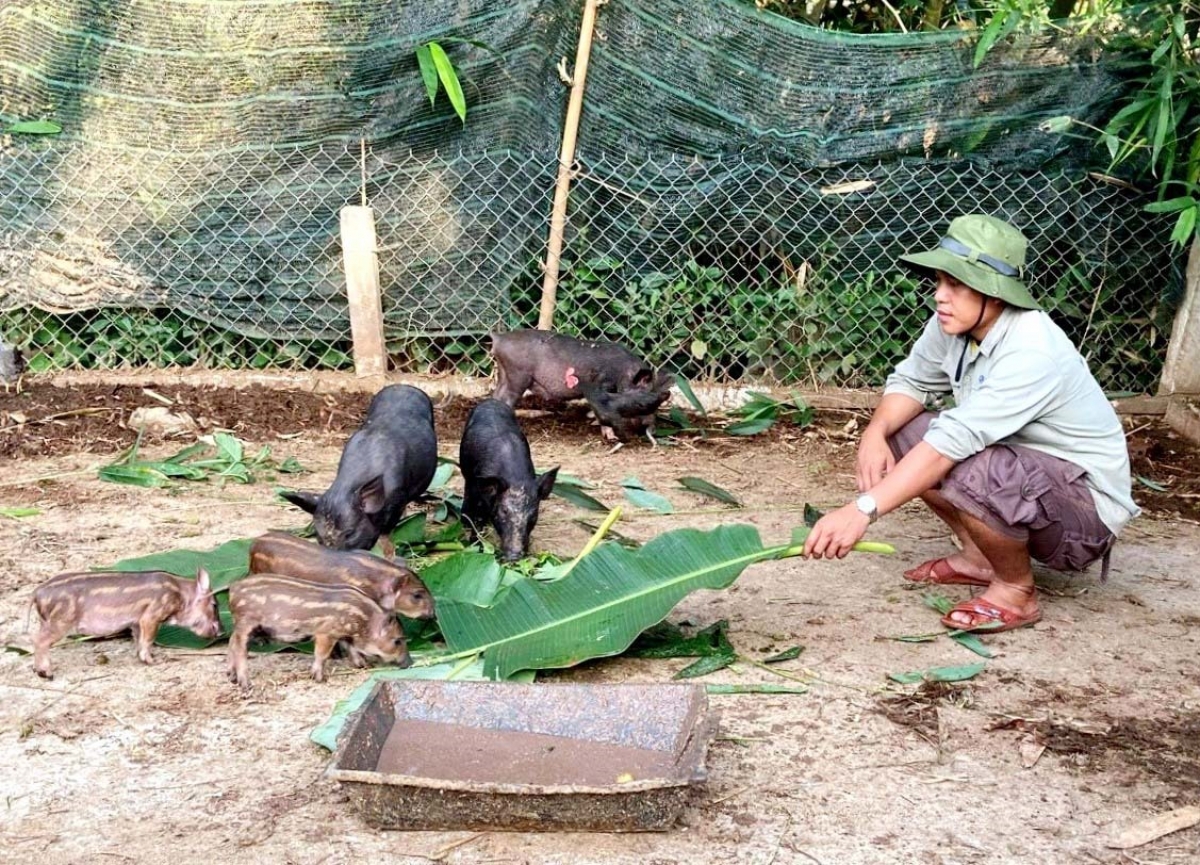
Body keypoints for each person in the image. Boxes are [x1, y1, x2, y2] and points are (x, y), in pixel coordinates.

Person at [802, 214, 1140, 632]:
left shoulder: (1031, 351)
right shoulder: (957, 324)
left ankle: (1016, 591)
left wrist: (861, 511)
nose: (940, 297)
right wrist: (875, 433)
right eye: (940, 281)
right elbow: (911, 381)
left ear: (996, 294)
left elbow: (954, 442)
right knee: (906, 433)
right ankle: (980, 558)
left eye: (956, 285)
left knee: (977, 468)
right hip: (1029, 480)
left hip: (1082, 519)